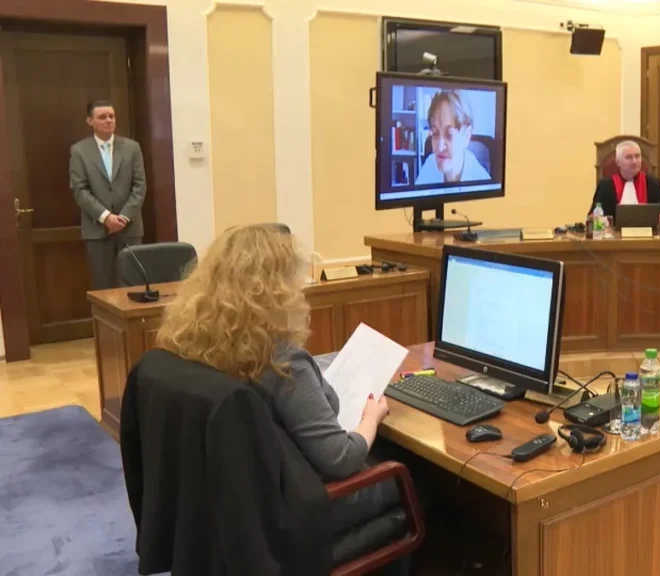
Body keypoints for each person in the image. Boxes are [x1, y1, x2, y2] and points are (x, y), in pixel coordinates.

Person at [155, 225, 409, 574]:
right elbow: (340, 459)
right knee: (415, 474)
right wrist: (371, 417)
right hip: (303, 506)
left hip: (245, 506)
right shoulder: (280, 360)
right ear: (278, 290)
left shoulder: (197, 343)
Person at [70, 99, 147, 290]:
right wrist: (106, 218)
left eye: (111, 116)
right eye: (102, 117)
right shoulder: (79, 151)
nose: (108, 120)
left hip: (129, 228)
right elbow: (79, 189)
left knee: (133, 285)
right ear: (90, 121)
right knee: (102, 286)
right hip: (97, 230)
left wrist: (123, 218)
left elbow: (140, 186)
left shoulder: (132, 148)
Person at [590, 140, 660, 228]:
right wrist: (599, 220)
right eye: (629, 157)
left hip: (647, 234)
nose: (634, 161)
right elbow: (592, 216)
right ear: (618, 162)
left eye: (637, 156)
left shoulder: (653, 183)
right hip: (614, 235)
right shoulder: (606, 185)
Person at [414, 90, 491, 185]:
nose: (439, 148)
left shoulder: (482, 183)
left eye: (449, 135)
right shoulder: (430, 163)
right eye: (435, 133)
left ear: (466, 136)